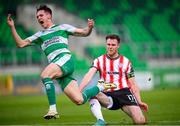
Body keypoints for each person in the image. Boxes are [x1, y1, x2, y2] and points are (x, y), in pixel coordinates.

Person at [7, 5, 116, 120]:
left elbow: (84, 32)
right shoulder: (39, 35)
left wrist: (89, 28)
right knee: (79, 100)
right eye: (37, 16)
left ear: (49, 16)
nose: (39, 18)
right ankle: (101, 86)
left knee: (45, 75)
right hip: (57, 68)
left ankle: (53, 109)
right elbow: (20, 44)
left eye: (41, 15)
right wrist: (12, 27)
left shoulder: (62, 27)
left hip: (65, 60)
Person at [79, 34, 148, 125]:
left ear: (118, 46)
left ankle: (126, 107)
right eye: (108, 44)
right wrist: (79, 90)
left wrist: (139, 101)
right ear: (106, 44)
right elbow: (89, 75)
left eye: (113, 45)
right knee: (93, 93)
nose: (110, 47)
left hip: (124, 93)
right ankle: (101, 121)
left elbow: (133, 84)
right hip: (107, 95)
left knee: (140, 121)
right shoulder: (99, 60)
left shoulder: (126, 62)